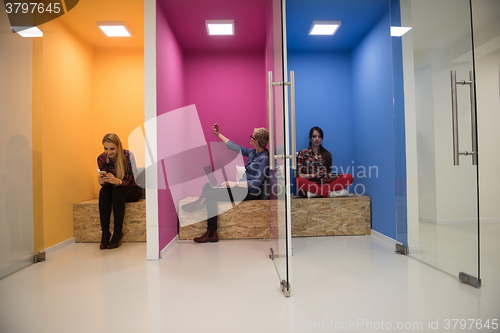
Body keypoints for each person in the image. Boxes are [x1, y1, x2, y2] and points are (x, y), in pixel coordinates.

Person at [181, 123, 270, 243]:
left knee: (210, 194)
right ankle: (200, 202)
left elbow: (256, 183)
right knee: (208, 186)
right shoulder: (252, 153)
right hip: (242, 188)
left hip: (250, 192)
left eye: (252, 137)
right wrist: (218, 134)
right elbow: (234, 146)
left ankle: (212, 233)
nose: (250, 138)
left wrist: (234, 184)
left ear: (257, 141)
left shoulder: (264, 158)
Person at [97, 133, 143, 250]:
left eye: (112, 149)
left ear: (118, 147)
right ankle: (105, 233)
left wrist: (117, 181)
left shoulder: (128, 156)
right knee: (104, 191)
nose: (109, 152)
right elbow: (108, 184)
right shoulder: (101, 158)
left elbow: (131, 180)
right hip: (114, 189)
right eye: (106, 148)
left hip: (132, 189)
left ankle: (118, 232)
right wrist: (102, 181)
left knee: (117, 191)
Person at [296, 126, 353, 198]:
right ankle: (329, 194)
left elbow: (328, 172)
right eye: (314, 136)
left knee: (348, 177)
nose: (317, 139)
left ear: (322, 138)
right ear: (310, 138)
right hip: (310, 185)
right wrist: (314, 175)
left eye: (319, 137)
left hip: (325, 184)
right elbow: (299, 174)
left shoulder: (326, 154)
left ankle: (317, 193)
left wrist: (328, 177)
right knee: (298, 180)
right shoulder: (303, 153)